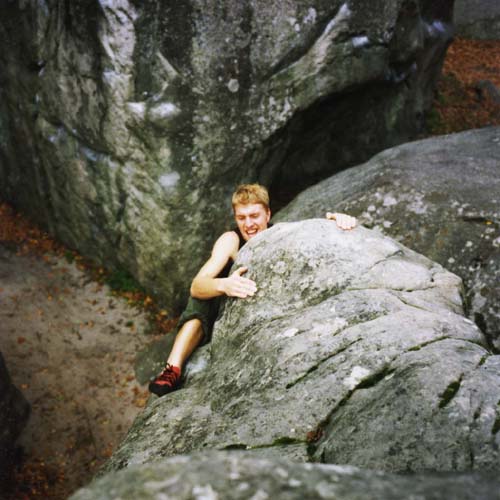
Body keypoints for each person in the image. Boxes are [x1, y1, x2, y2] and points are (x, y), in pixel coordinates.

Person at [148, 184, 356, 397]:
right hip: (224, 311)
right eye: (241, 217)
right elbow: (196, 286)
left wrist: (338, 221)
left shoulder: (280, 233)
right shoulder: (231, 240)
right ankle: (172, 369)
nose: (248, 224)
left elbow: (314, 236)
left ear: (268, 214)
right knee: (202, 299)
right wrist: (224, 284)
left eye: (254, 216)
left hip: (271, 312)